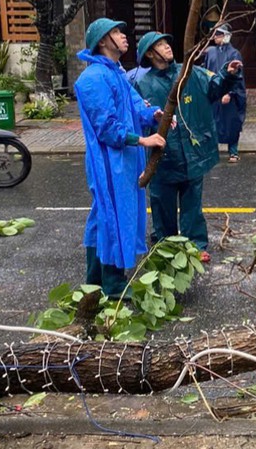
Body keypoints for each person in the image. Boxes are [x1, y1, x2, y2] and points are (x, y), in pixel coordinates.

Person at [74, 18, 166, 300]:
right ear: (103, 42)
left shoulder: (116, 73)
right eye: (115, 32)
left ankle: (96, 285)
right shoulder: (92, 79)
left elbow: (136, 106)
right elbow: (107, 127)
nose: (123, 37)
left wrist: (155, 116)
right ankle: (110, 286)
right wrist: (142, 139)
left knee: (108, 216)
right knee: (111, 217)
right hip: (109, 162)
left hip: (124, 160)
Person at [134, 31, 243, 263]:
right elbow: (138, 116)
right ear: (150, 54)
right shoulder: (143, 84)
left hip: (192, 154)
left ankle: (196, 245)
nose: (167, 47)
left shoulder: (188, 73)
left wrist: (228, 74)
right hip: (163, 157)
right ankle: (166, 246)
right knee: (162, 206)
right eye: (160, 45)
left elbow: (213, 87)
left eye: (166, 43)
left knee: (192, 204)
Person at [202, 23, 246, 163]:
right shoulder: (210, 52)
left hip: (230, 97)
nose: (215, 37)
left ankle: (233, 151)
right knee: (212, 123)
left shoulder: (234, 53)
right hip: (214, 93)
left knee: (231, 123)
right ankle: (212, 152)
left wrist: (230, 92)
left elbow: (238, 76)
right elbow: (206, 71)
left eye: (218, 34)